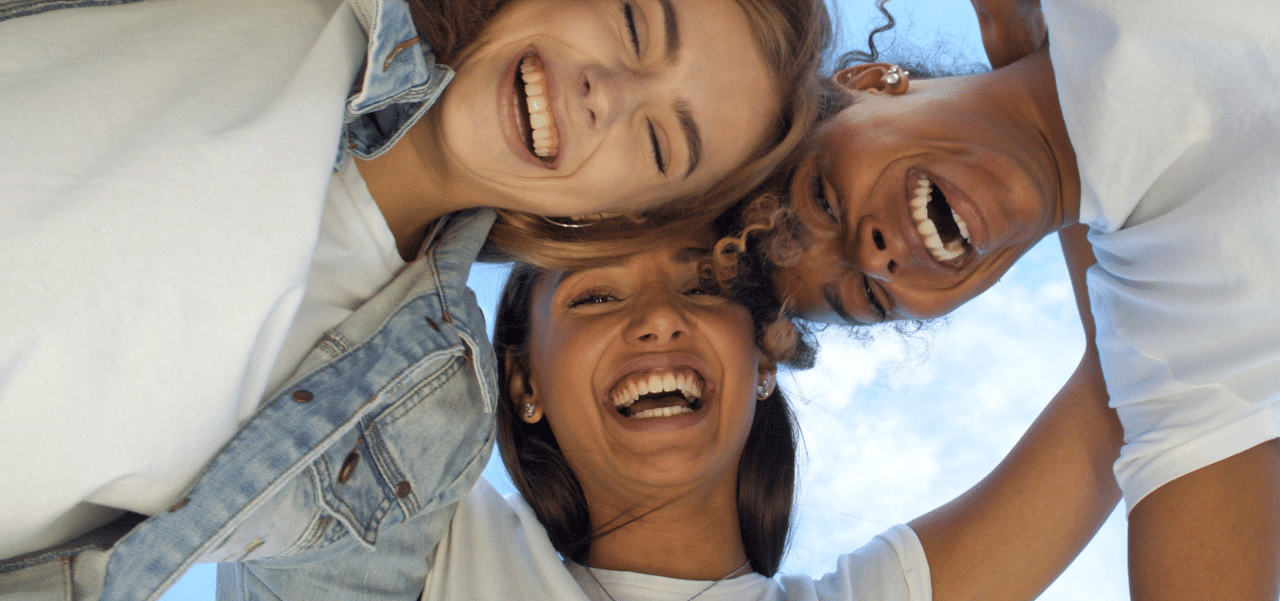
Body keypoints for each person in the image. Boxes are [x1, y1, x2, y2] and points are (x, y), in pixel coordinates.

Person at [0, 0, 846, 594]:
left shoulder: (395, 424)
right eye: (633, 27)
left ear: (610, 218)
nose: (607, 93)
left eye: (661, 144)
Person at [445, 0, 1280, 596]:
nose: (877, 252)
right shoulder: (1181, 347)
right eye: (869, 295)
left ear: (869, 81)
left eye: (821, 199)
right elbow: (1118, 404)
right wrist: (1031, 75)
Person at [223, 233, 1124, 601]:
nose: (658, 317)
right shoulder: (418, 546)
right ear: (521, 383)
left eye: (704, 285)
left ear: (765, 355)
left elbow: (1124, 395)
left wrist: (1042, 97)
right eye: (596, 295)